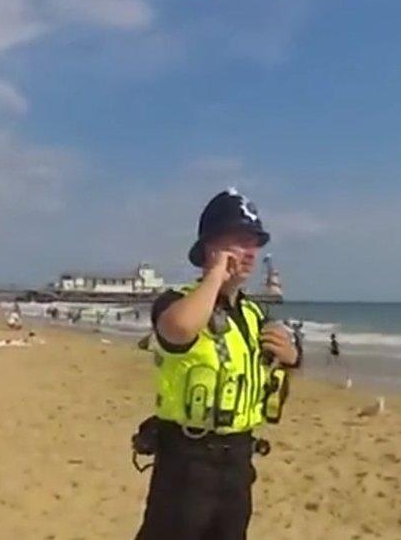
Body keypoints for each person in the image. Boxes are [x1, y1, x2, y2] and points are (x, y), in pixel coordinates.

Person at [134, 188, 299, 540]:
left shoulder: (254, 314)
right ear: (212, 246)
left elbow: (263, 374)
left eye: (254, 241)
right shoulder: (176, 302)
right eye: (240, 240)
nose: (251, 251)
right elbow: (178, 329)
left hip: (238, 462)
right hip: (187, 462)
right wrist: (214, 276)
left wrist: (292, 358)